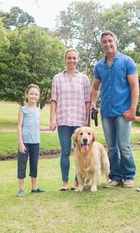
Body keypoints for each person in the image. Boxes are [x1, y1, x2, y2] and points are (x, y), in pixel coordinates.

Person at [90, 30, 139, 188]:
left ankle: (129, 176)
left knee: (123, 145)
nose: (108, 44)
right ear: (101, 45)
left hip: (123, 112)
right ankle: (116, 177)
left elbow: (134, 85)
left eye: (110, 41)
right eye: (104, 41)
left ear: (116, 42)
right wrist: (92, 103)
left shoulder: (127, 62)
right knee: (111, 148)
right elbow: (96, 87)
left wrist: (132, 109)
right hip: (106, 112)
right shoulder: (99, 66)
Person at [50, 48, 91, 191]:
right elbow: (54, 100)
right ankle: (65, 182)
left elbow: (87, 100)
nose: (72, 60)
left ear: (78, 60)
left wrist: (86, 119)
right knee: (65, 151)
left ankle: (77, 182)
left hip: (79, 121)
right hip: (63, 119)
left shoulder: (84, 79)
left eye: (74, 58)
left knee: (80, 152)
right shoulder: (57, 78)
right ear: (65, 59)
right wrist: (52, 119)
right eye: (69, 58)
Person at [17, 84, 46, 197]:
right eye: (31, 94)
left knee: (34, 165)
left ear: (38, 96)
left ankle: (34, 188)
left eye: (36, 94)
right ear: (26, 95)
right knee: (22, 165)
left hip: (36, 142)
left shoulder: (38, 110)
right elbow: (19, 126)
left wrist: (50, 128)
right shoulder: (23, 110)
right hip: (25, 142)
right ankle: (21, 189)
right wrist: (20, 142)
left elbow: (38, 127)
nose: (33, 96)